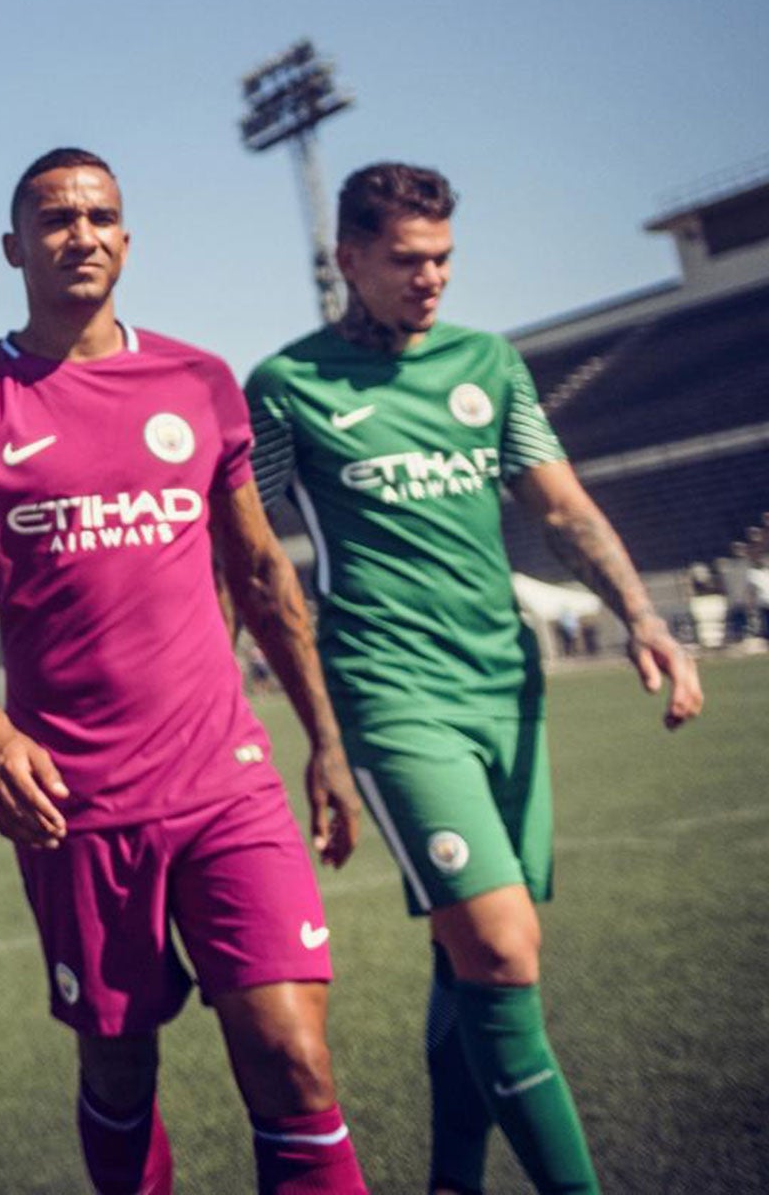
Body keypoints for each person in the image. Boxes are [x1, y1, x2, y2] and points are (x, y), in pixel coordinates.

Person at [0, 147, 370, 1194]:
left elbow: (257, 571)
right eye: (56, 219)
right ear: (12, 247)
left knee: (293, 1059)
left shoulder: (196, 381)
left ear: (126, 238)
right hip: (75, 801)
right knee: (120, 1067)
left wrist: (325, 748)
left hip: (224, 782)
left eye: (101, 216)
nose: (81, 234)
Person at [246, 162, 702, 1195]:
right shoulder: (284, 388)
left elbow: (560, 508)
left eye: (443, 258)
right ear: (347, 259)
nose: (430, 280)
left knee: (467, 970)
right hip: (390, 695)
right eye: (406, 261)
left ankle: (451, 1185)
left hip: (508, 689)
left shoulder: (487, 365)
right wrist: (316, 733)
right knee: (500, 951)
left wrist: (642, 618)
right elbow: (247, 552)